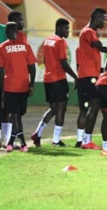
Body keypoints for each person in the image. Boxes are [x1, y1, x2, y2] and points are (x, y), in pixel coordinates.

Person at [31, 18, 78, 147]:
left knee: (53, 109)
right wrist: (76, 77)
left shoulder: (48, 40)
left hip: (48, 78)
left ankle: (37, 133)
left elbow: (45, 60)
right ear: (58, 28)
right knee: (61, 110)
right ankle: (56, 140)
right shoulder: (60, 42)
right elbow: (64, 63)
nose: (68, 31)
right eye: (66, 28)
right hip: (58, 79)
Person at [78, 8, 107, 150]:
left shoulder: (88, 31)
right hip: (88, 75)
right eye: (104, 19)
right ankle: (86, 141)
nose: (105, 22)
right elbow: (100, 48)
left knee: (92, 107)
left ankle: (86, 140)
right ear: (96, 18)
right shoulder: (89, 32)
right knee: (93, 106)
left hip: (90, 74)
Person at [0, 22, 37, 152]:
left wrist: (2, 89)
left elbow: (1, 70)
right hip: (23, 86)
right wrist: (31, 84)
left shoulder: (2, 47)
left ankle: (15, 142)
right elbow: (32, 67)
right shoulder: (26, 46)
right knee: (17, 115)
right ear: (17, 32)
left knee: (15, 115)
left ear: (6, 33)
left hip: (10, 86)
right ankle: (20, 143)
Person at [1, 11, 28, 148]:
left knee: (10, 110)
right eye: (20, 20)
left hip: (13, 80)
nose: (22, 22)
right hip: (6, 76)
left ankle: (8, 140)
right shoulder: (3, 32)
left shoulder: (22, 37)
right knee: (7, 110)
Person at [74, 47, 86, 147]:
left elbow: (78, 66)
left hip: (82, 80)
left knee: (83, 110)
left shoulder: (79, 49)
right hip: (89, 80)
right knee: (89, 110)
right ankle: (85, 140)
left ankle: (80, 139)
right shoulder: (94, 47)